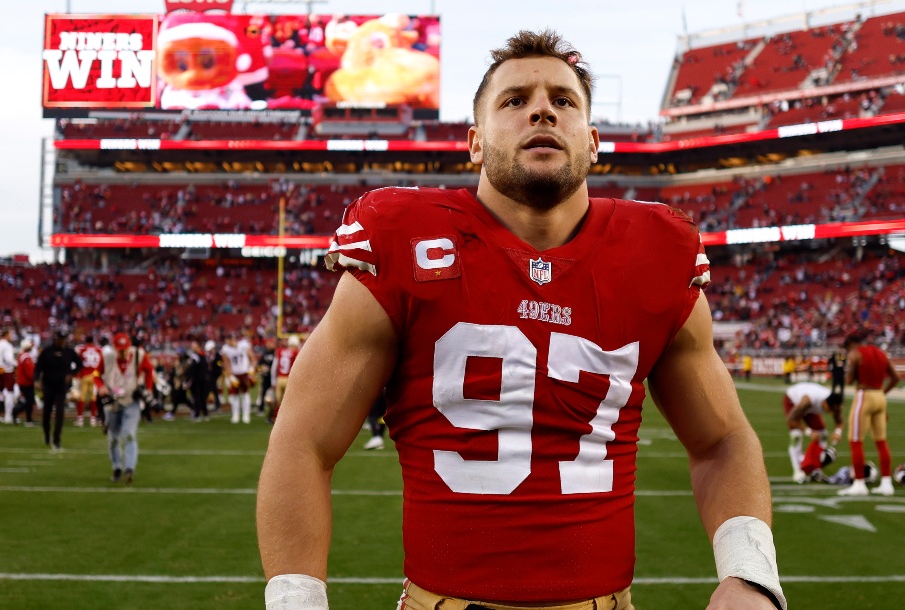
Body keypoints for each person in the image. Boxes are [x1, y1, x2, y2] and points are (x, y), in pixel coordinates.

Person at [257, 30, 785, 610]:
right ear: (476, 143)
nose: (541, 108)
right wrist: (296, 601)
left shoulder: (655, 252)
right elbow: (303, 440)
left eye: (564, 100)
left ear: (592, 141)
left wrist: (748, 574)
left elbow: (720, 439)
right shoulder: (403, 237)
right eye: (514, 100)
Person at [838, 333, 900, 496]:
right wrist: (882, 393)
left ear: (851, 344)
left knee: (855, 440)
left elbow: (850, 380)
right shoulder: (881, 353)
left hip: (864, 395)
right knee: (881, 440)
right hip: (880, 395)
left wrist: (850, 367)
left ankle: (859, 483)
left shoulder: (855, 353)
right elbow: (895, 377)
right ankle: (886, 483)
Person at [99, 332, 154, 484]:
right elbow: (97, 374)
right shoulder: (108, 357)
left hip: (132, 399)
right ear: (115, 348)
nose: (123, 352)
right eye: (120, 349)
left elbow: (149, 370)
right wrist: (101, 386)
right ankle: (116, 467)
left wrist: (148, 389)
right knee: (113, 439)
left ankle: (129, 468)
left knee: (129, 434)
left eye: (125, 349)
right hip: (112, 402)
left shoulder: (139, 355)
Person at [783, 381, 842, 483]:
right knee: (796, 436)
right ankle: (797, 471)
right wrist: (809, 432)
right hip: (793, 401)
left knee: (822, 434)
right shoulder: (808, 400)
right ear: (824, 402)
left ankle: (814, 466)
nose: (829, 412)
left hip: (809, 407)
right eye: (828, 409)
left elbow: (839, 421)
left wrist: (838, 432)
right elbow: (791, 420)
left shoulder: (834, 402)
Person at [34, 328, 82, 451]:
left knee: (60, 412)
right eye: (60, 339)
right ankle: (46, 434)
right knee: (47, 412)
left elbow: (79, 364)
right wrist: (36, 380)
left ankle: (56, 439)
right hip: (48, 385)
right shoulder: (47, 351)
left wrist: (71, 374)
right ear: (56, 338)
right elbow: (38, 367)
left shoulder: (69, 352)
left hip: (61, 386)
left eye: (64, 339)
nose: (62, 341)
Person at [220, 330, 256, 424]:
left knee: (245, 394)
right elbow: (226, 363)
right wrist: (230, 376)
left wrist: (251, 369)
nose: (227, 343)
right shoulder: (226, 349)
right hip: (234, 373)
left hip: (244, 372)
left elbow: (252, 357)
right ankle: (235, 415)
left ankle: (246, 415)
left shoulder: (243, 345)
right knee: (234, 395)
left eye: (228, 340)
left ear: (233, 339)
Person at [0, 329, 18, 423]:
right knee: (10, 392)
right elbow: (8, 359)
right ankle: (8, 416)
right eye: (10, 334)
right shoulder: (7, 345)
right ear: (6, 335)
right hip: (7, 370)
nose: (12, 336)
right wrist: (17, 364)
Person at [14, 339, 38, 426]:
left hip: (23, 382)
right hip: (26, 383)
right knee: (29, 401)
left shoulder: (22, 355)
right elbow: (29, 372)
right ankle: (26, 418)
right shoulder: (26, 357)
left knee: (29, 401)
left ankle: (27, 418)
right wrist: (34, 380)